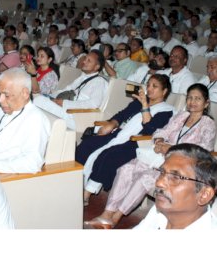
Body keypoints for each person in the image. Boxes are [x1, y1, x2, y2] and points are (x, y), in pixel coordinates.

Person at [85, 84, 215, 229]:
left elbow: (202, 151)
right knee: (126, 169)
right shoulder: (181, 116)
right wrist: (159, 141)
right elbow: (162, 131)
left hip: (179, 168)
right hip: (158, 156)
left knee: (145, 178)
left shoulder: (208, 124)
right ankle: (107, 213)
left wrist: (171, 149)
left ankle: (115, 217)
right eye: (190, 98)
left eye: (197, 99)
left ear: (206, 103)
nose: (192, 102)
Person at [77, 74, 174, 205]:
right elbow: (122, 115)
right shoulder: (138, 101)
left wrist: (145, 105)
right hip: (119, 134)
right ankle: (75, 182)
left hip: (137, 142)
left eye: (154, 86)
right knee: (87, 144)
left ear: (164, 91)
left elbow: (150, 129)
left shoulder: (167, 111)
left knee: (108, 155)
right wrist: (112, 124)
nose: (149, 89)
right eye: (148, 85)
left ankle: (87, 193)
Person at [134, 144, 216, 229]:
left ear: (204, 195)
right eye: (162, 172)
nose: (159, 183)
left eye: (175, 177)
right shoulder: (160, 211)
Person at [0, 68, 50, 173]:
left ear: (25, 93)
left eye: (6, 95)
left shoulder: (35, 119)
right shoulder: (7, 110)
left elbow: (33, 163)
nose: (0, 100)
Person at [34, 49, 108, 130]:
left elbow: (94, 104)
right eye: (85, 59)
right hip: (66, 110)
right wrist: (50, 96)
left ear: (97, 66)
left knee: (38, 100)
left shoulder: (99, 82)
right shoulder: (82, 77)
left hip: (77, 117)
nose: (84, 62)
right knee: (39, 97)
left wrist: (64, 103)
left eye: (89, 61)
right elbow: (66, 90)